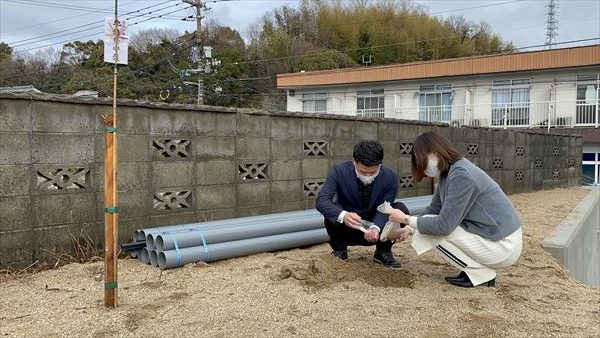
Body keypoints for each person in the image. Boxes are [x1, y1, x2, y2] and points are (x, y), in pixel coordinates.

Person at [382, 131, 522, 287]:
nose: (422, 166)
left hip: (503, 245)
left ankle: (480, 274)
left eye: (421, 159)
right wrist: (409, 228)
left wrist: (406, 219)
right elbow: (434, 208)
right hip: (494, 236)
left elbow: (444, 225)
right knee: (425, 224)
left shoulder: (461, 175)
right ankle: (472, 270)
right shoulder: (450, 172)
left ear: (435, 152)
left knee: (432, 230)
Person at [316, 140, 409, 268]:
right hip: (348, 228)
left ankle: (383, 252)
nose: (367, 176)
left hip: (377, 229)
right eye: (363, 172)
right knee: (333, 209)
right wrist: (344, 215)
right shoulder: (338, 171)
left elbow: (385, 207)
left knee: (399, 208)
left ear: (380, 164)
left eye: (372, 172)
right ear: (354, 161)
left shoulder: (390, 176)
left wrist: (375, 228)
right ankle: (339, 250)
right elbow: (322, 201)